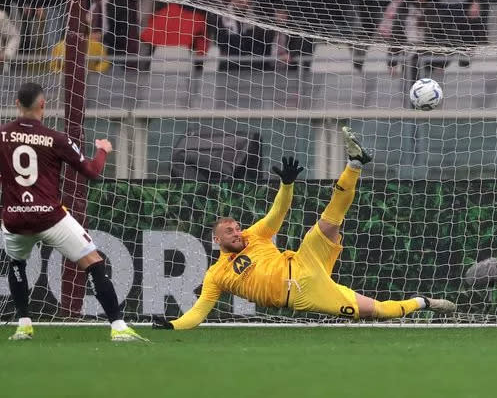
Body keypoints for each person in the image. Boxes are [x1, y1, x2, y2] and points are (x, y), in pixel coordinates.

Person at [152, 128, 455, 330]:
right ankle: (425, 302)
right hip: (306, 295)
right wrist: (174, 325)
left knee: (327, 221)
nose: (237, 231)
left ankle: (354, 163)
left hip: (303, 262)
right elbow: (199, 312)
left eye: (237, 226)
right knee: (374, 311)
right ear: (216, 239)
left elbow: (278, 211)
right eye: (230, 230)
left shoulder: (254, 235)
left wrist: (286, 184)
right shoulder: (216, 275)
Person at [0, 82, 146, 342]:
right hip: (49, 217)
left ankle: (24, 324)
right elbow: (92, 172)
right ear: (43, 105)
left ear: (17, 103)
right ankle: (118, 326)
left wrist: (6, 183)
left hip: (15, 219)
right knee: (93, 261)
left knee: (17, 263)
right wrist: (103, 151)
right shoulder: (55, 138)